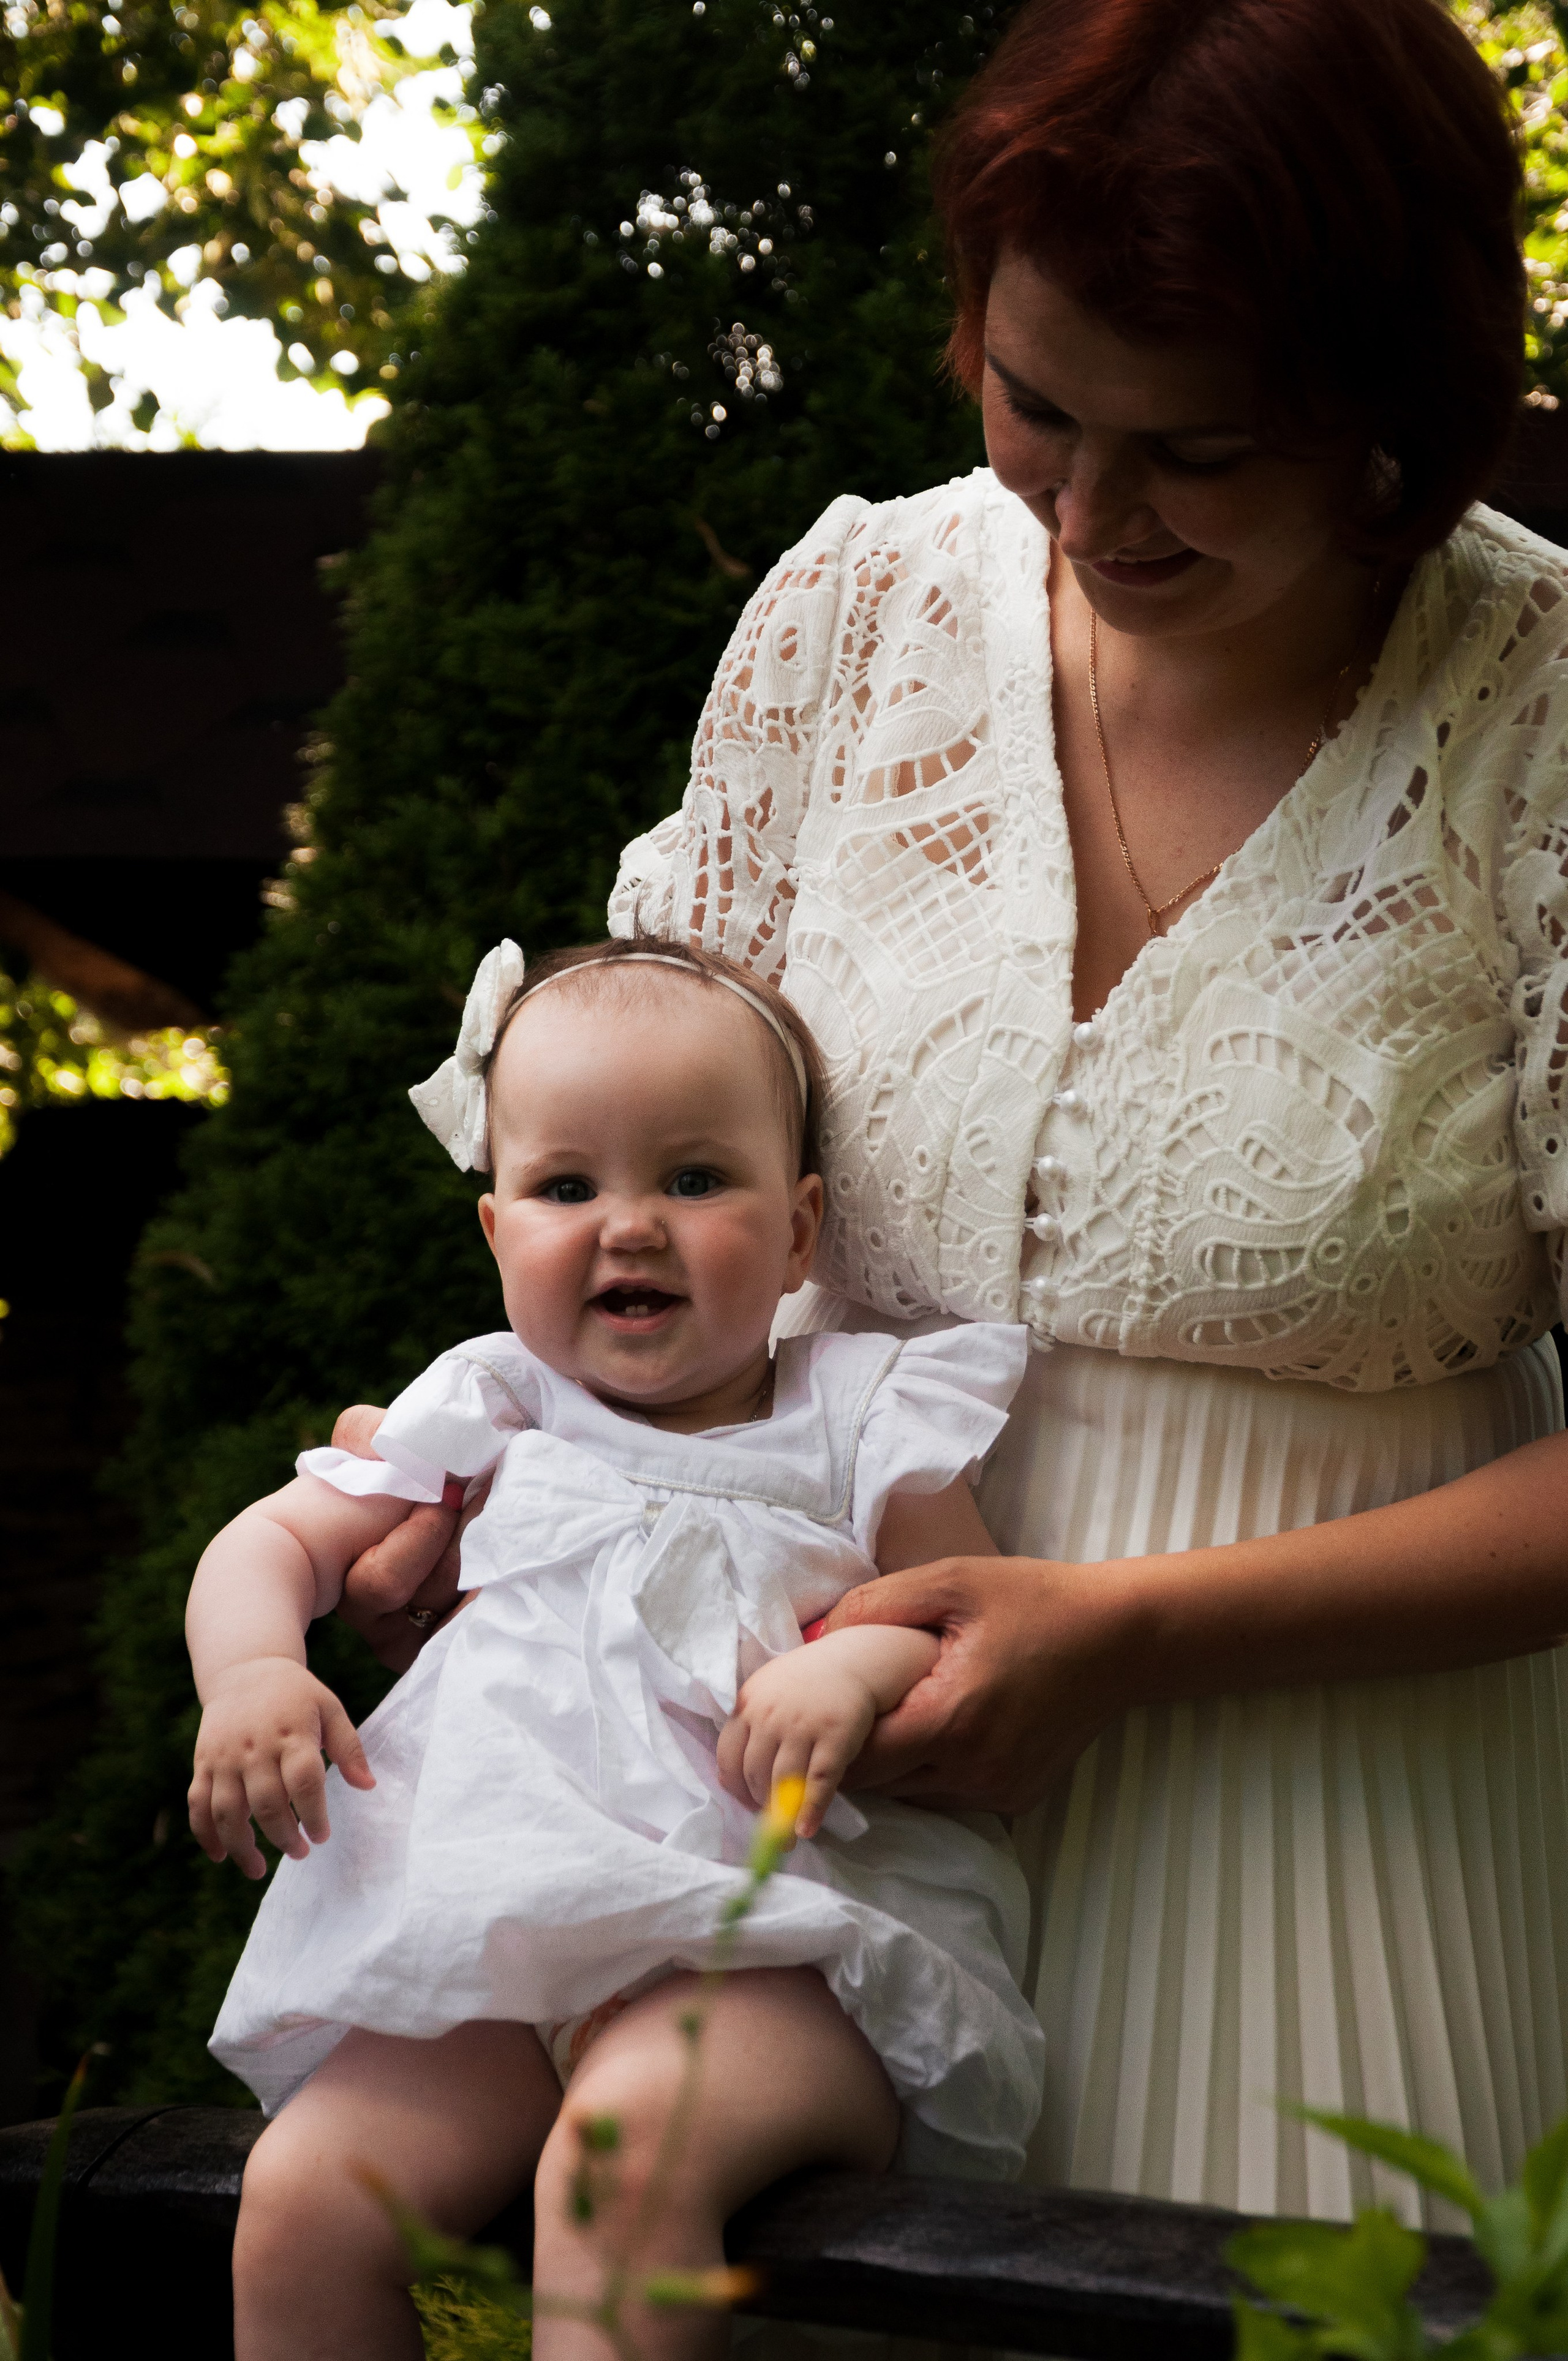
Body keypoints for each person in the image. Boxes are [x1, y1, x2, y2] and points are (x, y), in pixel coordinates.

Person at [339, 0, 1568, 2229]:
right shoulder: (856, 610)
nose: (1093, 511)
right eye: (1034, 403)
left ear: (1395, 405)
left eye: (1195, 449)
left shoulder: (1544, 712)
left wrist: (1145, 1631)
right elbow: (636, 1138)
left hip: (1324, 1821)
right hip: (796, 1812)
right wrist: (511, 1449)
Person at [188, 935, 1042, 2361]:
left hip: (772, 1943)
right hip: (496, 1937)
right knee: (299, 2200)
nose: (627, 1225)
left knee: (623, 2167)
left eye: (693, 1178)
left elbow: (975, 1620)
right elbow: (271, 1542)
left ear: (800, 1227)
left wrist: (854, 1664)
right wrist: (259, 1669)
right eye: (565, 1186)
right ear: (495, 1230)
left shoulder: (859, 1410)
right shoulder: (493, 1400)